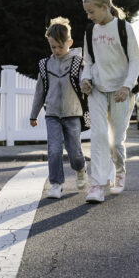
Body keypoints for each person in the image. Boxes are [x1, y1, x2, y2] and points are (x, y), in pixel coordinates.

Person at [80, 0, 139, 204]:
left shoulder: (124, 28)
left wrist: (127, 86)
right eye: (87, 12)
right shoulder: (90, 31)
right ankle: (96, 185)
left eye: (91, 11)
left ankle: (120, 172)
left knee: (116, 139)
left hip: (120, 92)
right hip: (97, 90)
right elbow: (88, 61)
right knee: (98, 135)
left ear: (105, 7)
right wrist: (85, 80)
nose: (89, 16)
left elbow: (135, 60)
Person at [29, 17, 88, 199]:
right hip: (52, 114)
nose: (56, 51)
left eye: (60, 47)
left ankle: (81, 169)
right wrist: (34, 114)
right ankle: (56, 184)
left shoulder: (78, 63)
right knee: (53, 150)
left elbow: (84, 83)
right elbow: (40, 91)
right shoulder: (45, 65)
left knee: (75, 152)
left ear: (69, 42)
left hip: (73, 113)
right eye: (52, 47)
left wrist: (87, 84)